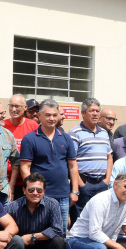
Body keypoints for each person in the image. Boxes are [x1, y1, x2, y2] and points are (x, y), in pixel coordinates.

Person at [19, 99, 79, 235]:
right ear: (39, 116)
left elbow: (73, 166)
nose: (51, 118)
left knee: (60, 233)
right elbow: (25, 167)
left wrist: (75, 191)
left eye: (54, 115)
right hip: (40, 196)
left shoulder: (66, 138)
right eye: (47, 115)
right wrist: (32, 190)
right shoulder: (30, 139)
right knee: (40, 232)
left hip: (62, 195)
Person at [69, 98, 113, 216]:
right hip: (84, 183)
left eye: (97, 111)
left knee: (100, 218)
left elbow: (109, 157)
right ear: (83, 113)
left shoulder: (104, 133)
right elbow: (71, 161)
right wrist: (80, 184)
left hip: (102, 183)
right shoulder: (75, 133)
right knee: (80, 220)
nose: (95, 114)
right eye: (91, 111)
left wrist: (107, 179)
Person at [3, 95, 40, 198]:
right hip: (6, 181)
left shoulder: (33, 125)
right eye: (11, 106)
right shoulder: (2, 126)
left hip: (27, 180)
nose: (14, 109)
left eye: (17, 106)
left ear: (25, 107)